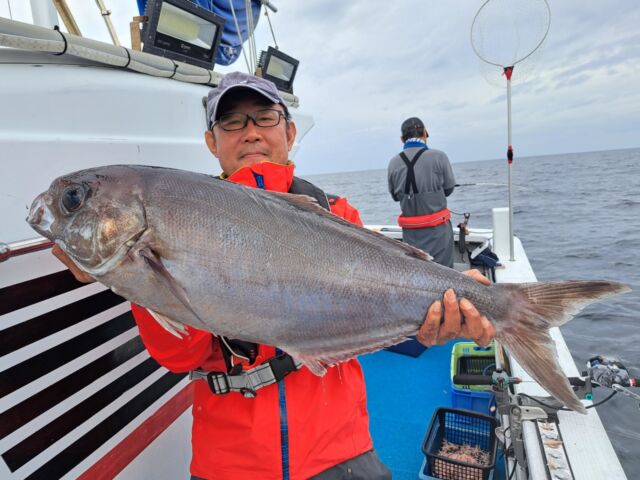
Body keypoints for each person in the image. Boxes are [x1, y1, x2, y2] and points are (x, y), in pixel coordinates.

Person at [52, 72, 494, 480]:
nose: (250, 132)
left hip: (339, 449)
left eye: (265, 117)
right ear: (211, 141)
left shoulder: (337, 213)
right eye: (231, 122)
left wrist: (436, 320)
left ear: (290, 132)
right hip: (230, 461)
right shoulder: (182, 215)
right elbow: (180, 356)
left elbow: (381, 314)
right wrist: (131, 275)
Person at [387, 117, 457, 267]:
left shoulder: (393, 163)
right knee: (443, 272)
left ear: (402, 139)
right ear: (424, 133)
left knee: (416, 271)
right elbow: (449, 189)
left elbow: (395, 196)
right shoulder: (440, 156)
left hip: (410, 235)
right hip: (438, 233)